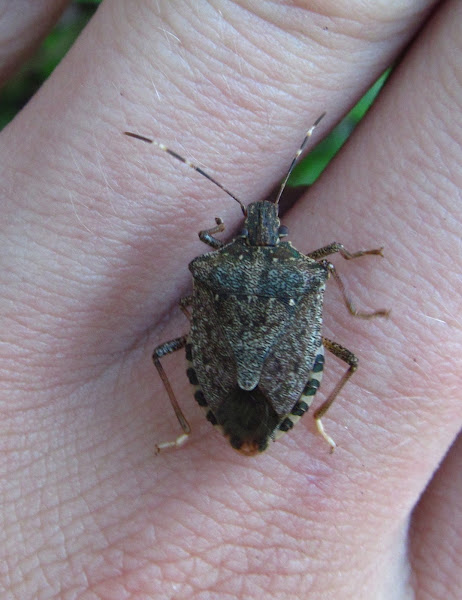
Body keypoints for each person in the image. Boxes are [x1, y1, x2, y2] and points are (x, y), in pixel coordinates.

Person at [0, 1, 460, 598]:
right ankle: (314, 419)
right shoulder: (306, 274)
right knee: (349, 342)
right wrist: (355, 307)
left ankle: (187, 430)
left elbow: (205, 272)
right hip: (284, 362)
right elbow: (328, 266)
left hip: (220, 357)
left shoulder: (213, 267)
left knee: (166, 351)